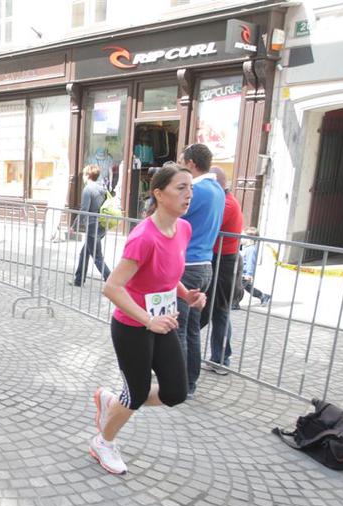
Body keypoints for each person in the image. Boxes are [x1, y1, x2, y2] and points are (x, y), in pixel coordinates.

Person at [90, 164, 206, 475]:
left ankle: (113, 403)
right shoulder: (143, 237)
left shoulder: (184, 229)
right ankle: (103, 441)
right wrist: (147, 320)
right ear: (159, 194)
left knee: (176, 392)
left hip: (162, 322)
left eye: (191, 188)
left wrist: (186, 295)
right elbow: (112, 287)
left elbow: (167, 274)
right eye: (181, 188)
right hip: (132, 326)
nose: (189, 195)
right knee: (137, 391)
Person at [177, 143, 224, 398]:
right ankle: (189, 381)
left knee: (181, 328)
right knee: (192, 328)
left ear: (191, 163)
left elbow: (168, 214)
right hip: (204, 264)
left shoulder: (198, 190)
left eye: (181, 162)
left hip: (188, 266)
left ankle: (181, 383)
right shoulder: (217, 189)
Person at [201, 166, 244, 374]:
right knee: (218, 311)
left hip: (223, 262)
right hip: (220, 260)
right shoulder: (225, 201)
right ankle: (220, 358)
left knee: (216, 311)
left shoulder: (226, 204)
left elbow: (205, 225)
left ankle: (220, 359)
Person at [71, 164, 111, 286]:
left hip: (93, 226)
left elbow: (84, 210)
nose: (83, 177)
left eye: (84, 174)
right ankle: (78, 280)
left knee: (97, 258)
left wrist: (74, 226)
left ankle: (112, 281)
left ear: (87, 175)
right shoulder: (102, 188)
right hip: (102, 225)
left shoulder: (88, 189)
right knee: (85, 252)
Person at [238, 227, 271, 307]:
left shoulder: (251, 250)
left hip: (245, 274)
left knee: (237, 288)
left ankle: (234, 303)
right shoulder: (245, 248)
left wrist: (249, 274)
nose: (240, 238)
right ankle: (263, 296)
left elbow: (250, 263)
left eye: (243, 236)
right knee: (248, 287)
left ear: (249, 239)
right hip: (241, 273)